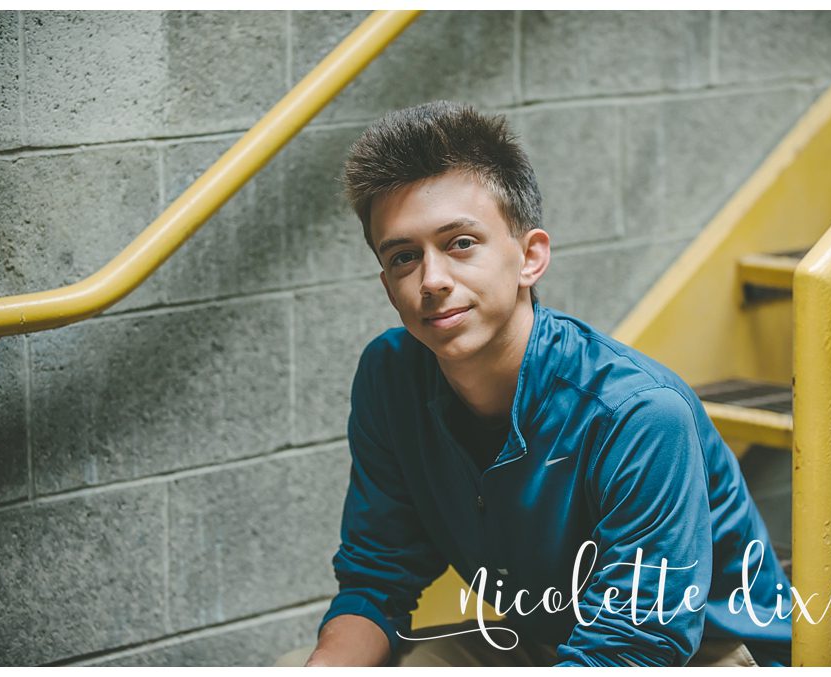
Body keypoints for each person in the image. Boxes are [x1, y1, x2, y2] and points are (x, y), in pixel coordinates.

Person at [287, 102, 792, 667]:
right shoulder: (390, 374)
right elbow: (377, 577)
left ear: (530, 257)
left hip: (700, 651)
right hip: (545, 639)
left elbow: (636, 643)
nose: (432, 281)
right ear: (387, 283)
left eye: (460, 243)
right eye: (404, 257)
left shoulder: (640, 413)